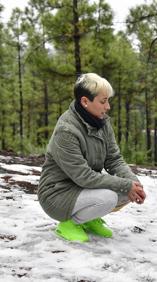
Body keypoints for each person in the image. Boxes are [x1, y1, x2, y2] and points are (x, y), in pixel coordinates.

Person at [38, 73, 146, 243]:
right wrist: (125, 184)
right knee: (111, 196)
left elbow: (114, 158)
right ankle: (68, 224)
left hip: (83, 188)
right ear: (85, 102)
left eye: (108, 100)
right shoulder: (66, 131)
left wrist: (133, 182)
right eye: (103, 102)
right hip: (57, 194)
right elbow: (83, 176)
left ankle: (88, 218)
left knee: (130, 189)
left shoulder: (101, 121)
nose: (108, 106)